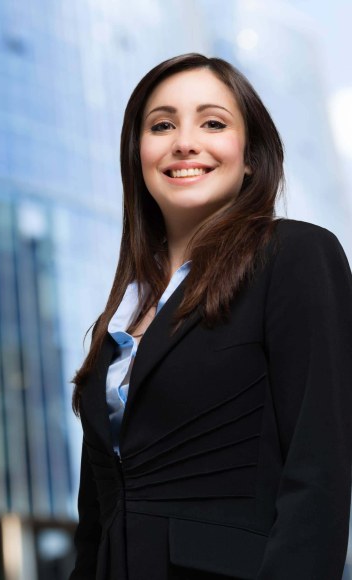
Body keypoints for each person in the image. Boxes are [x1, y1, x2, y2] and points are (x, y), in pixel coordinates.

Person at [69, 52, 352, 580]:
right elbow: (96, 523)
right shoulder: (120, 320)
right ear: (138, 156)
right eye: (162, 125)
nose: (184, 141)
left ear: (250, 156)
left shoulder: (294, 256)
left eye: (213, 122)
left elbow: (320, 475)